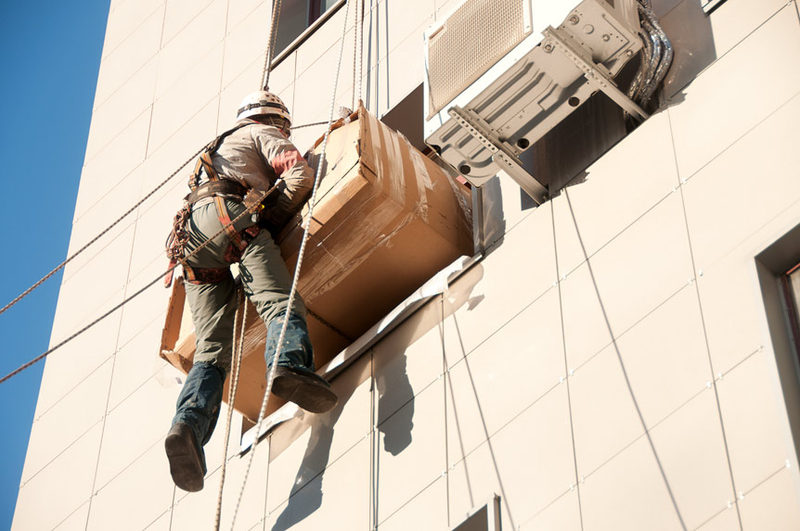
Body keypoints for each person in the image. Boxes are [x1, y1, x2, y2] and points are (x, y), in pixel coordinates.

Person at [163, 90, 338, 493]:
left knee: (210, 351)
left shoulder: (215, 151)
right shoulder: (262, 133)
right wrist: (271, 222)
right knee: (280, 304)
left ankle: (187, 425)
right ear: (274, 120)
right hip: (230, 221)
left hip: (191, 243)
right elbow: (298, 173)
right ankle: (288, 366)